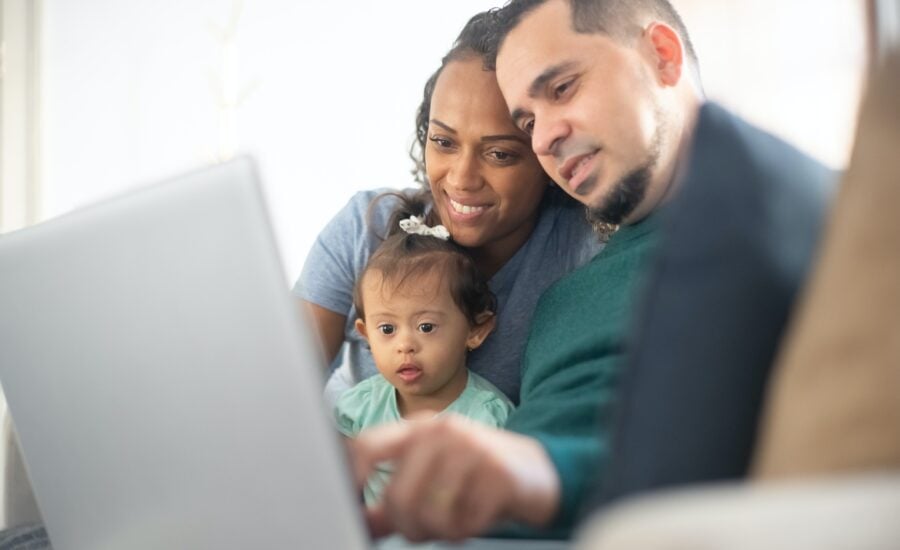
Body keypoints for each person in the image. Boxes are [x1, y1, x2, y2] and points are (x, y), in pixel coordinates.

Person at [351, 0, 831, 542]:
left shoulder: (771, 205)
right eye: (528, 121)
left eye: (562, 88)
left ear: (662, 55)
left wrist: (544, 471)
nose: (543, 139)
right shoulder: (568, 297)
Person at [294, 12, 601, 408]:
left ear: (548, 154)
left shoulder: (582, 251)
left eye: (500, 153)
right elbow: (277, 389)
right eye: (443, 142)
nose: (462, 178)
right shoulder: (363, 228)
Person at [334, 193, 515, 505]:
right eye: (387, 329)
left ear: (475, 330)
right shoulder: (358, 407)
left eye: (426, 327)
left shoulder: (488, 417)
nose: (405, 345)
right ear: (366, 334)